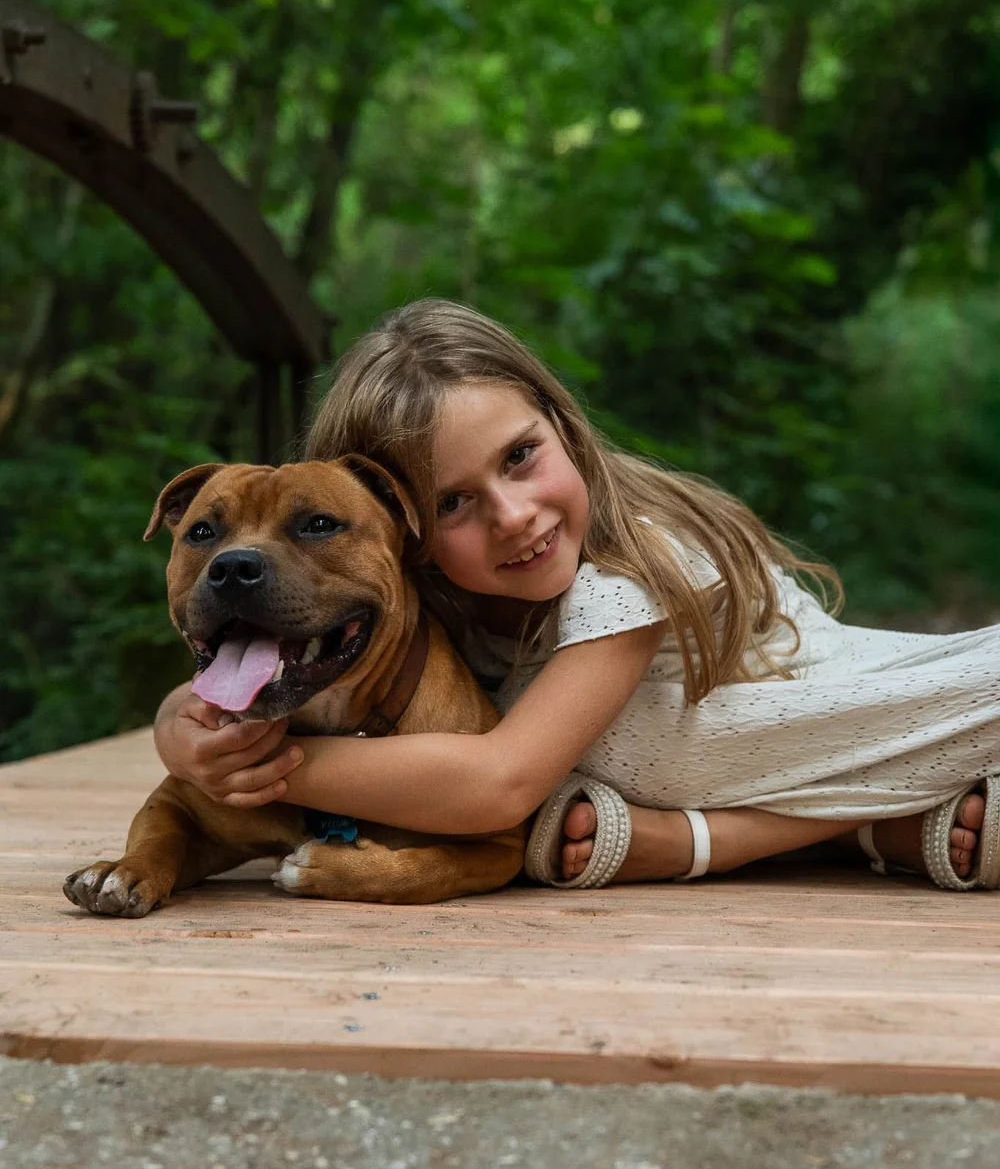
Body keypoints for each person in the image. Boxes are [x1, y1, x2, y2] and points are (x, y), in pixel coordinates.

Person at [154, 300, 999, 891]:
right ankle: (874, 827)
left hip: (887, 704)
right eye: (453, 503)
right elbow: (263, 662)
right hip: (790, 773)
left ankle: (870, 818)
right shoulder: (427, 615)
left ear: (561, 421)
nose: (514, 515)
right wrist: (186, 727)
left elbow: (499, 785)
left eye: (520, 455)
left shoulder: (631, 572)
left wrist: (249, 768)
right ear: (401, 529)